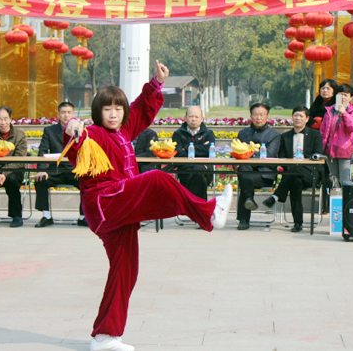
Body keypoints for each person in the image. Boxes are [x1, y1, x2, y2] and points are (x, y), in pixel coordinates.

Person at [63, 61, 233, 351]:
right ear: (97, 113)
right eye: (107, 109)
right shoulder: (95, 134)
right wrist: (72, 128)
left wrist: (156, 83)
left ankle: (105, 337)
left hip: (119, 207)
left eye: (118, 108)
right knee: (156, 179)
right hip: (106, 203)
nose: (114, 114)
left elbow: (141, 108)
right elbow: (77, 141)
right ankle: (209, 214)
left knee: (126, 270)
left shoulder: (124, 130)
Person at [261, 106, 324, 232]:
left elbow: (318, 154)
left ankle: (276, 196)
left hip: (310, 173)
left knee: (295, 173)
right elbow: (282, 158)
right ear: (292, 117)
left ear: (307, 119)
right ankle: (298, 223)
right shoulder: (285, 136)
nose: (298, 118)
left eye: (301, 116)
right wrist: (292, 167)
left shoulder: (315, 134)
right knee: (295, 182)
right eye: (295, 115)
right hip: (292, 174)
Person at [33, 102, 87, 228]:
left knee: (88, 181)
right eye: (63, 112)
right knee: (40, 179)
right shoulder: (49, 131)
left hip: (74, 170)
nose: (66, 115)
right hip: (55, 171)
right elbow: (42, 151)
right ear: (58, 115)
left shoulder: (81, 130)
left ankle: (83, 217)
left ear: (73, 114)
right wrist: (41, 170)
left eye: (69, 112)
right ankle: (46, 216)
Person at [235, 103, 280, 230]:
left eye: (261, 115)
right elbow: (237, 154)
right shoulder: (243, 134)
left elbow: (269, 156)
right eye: (255, 115)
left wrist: (248, 155)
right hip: (247, 172)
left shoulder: (274, 135)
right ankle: (249, 199)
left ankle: (244, 218)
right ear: (250, 116)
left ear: (267, 117)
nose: (258, 118)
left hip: (264, 174)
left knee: (245, 177)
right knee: (245, 173)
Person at [319, 83, 353, 184]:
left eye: (346, 95)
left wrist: (344, 113)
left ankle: (345, 200)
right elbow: (323, 130)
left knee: (345, 180)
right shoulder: (329, 111)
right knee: (333, 181)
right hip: (330, 151)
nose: (343, 97)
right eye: (340, 94)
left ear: (350, 97)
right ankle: (334, 200)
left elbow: (352, 128)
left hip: (344, 151)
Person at [172, 106, 215, 200]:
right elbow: (178, 153)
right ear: (185, 117)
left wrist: (187, 148)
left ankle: (188, 202)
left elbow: (209, 149)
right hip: (185, 169)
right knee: (200, 178)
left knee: (199, 171)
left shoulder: (209, 134)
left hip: (205, 168)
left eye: (196, 117)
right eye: (191, 116)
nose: (193, 119)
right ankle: (201, 209)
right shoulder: (178, 134)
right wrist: (201, 149)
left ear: (202, 119)